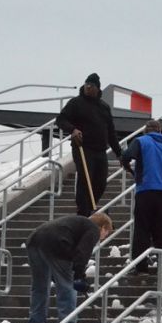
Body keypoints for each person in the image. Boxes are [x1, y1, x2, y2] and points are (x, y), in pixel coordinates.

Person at [24, 212, 113, 323]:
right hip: (57, 243)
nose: (103, 238)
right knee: (67, 287)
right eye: (107, 233)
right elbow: (82, 252)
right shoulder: (93, 228)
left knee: (40, 287)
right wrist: (79, 276)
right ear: (103, 227)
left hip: (34, 240)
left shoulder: (77, 223)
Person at [56, 72, 126, 216]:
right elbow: (61, 119)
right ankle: (83, 211)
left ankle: (89, 206)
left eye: (92, 85)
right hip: (82, 147)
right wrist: (73, 130)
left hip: (100, 150)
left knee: (101, 181)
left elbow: (111, 132)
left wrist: (119, 153)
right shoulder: (76, 103)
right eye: (87, 84)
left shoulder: (104, 107)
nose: (88, 87)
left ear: (98, 88)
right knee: (85, 177)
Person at [120, 119, 162, 273]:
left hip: (145, 190)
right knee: (161, 229)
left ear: (145, 131)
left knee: (142, 228)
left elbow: (126, 156)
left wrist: (129, 169)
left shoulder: (141, 141)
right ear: (160, 131)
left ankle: (140, 267)